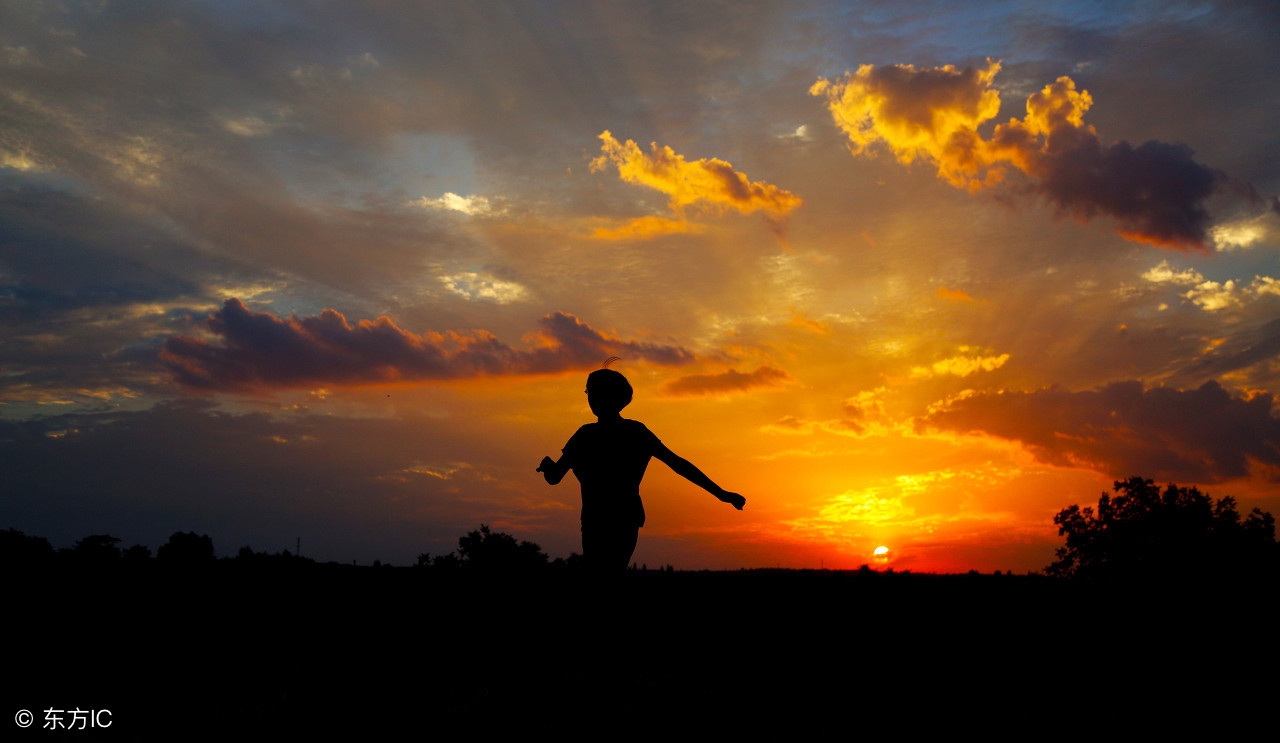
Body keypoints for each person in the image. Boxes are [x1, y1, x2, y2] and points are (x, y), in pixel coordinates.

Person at [537, 367, 745, 576]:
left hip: (597, 520)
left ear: (604, 396)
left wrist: (547, 466)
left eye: (590, 391)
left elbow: (554, 477)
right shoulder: (636, 432)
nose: (589, 397)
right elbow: (679, 465)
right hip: (624, 518)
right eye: (588, 392)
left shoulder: (585, 435)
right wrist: (722, 494)